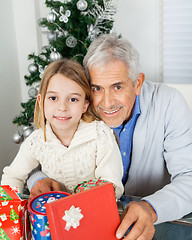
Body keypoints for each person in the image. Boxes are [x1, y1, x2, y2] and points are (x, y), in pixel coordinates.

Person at [27, 34, 192, 240]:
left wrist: (151, 208)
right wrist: (39, 180)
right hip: (84, 226)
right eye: (97, 88)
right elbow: (33, 158)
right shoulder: (75, 106)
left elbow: (189, 177)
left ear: (138, 83)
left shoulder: (169, 103)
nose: (107, 103)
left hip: (153, 229)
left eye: (117, 87)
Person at [1, 58, 124, 199]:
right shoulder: (36, 141)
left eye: (73, 99)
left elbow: (113, 186)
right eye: (53, 98)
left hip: (93, 215)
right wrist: (9, 212)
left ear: (85, 105)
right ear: (41, 101)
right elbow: (13, 176)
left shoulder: (101, 136)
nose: (62, 108)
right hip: (51, 218)